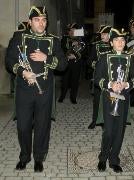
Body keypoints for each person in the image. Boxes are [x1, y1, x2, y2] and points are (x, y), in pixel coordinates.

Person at [5, 6, 67, 172]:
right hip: (24, 90)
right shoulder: (19, 36)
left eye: (44, 20)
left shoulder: (54, 40)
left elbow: (63, 64)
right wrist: (23, 71)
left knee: (42, 125)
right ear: (30, 22)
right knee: (23, 126)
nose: (41, 23)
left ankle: (39, 157)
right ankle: (25, 156)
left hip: (44, 90)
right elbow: (9, 60)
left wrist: (46, 58)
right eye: (37, 20)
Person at [94, 28, 134, 173]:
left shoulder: (129, 58)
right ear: (111, 43)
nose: (120, 42)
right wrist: (110, 84)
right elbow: (97, 79)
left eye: (122, 40)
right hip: (108, 98)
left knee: (119, 131)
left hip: (123, 98)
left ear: (125, 43)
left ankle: (114, 160)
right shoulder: (104, 57)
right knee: (108, 131)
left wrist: (126, 84)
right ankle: (102, 158)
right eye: (117, 40)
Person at [87, 25, 112, 129]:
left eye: (105, 34)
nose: (102, 35)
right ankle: (95, 120)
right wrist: (97, 67)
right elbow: (89, 61)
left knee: (109, 100)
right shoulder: (96, 45)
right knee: (97, 100)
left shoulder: (114, 45)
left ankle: (106, 121)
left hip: (111, 79)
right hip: (99, 77)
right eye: (101, 33)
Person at [58, 23, 85, 104]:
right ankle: (62, 96)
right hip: (66, 63)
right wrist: (70, 45)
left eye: (74, 30)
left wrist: (75, 56)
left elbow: (84, 51)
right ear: (69, 31)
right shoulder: (65, 39)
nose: (72, 32)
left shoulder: (80, 40)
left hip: (76, 63)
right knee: (65, 81)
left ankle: (73, 98)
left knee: (75, 81)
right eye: (71, 30)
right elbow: (62, 49)